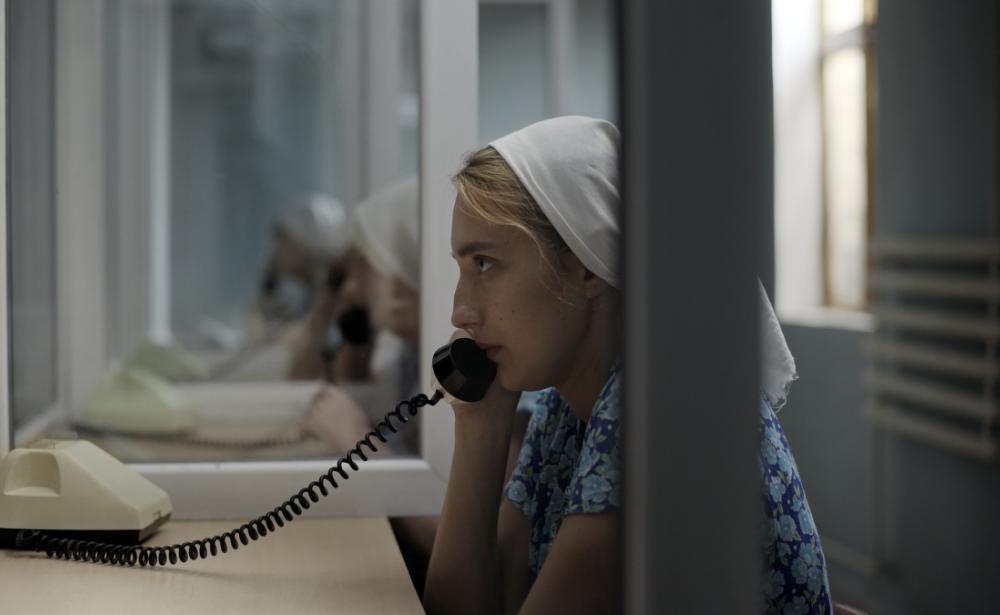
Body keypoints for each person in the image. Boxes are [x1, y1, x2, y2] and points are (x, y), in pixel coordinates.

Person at [421, 116, 833, 615]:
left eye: (484, 264)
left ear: (585, 263)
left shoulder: (660, 406)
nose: (460, 311)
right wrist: (480, 425)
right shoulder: (565, 407)